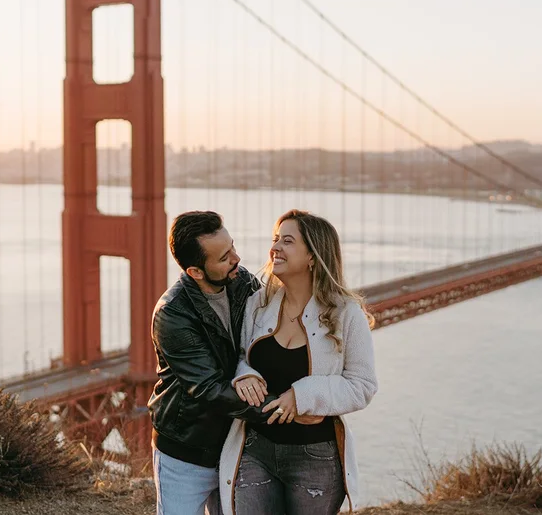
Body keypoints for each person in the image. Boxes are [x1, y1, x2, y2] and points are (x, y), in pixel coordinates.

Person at [216, 209, 379, 515]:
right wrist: (245, 375)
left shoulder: (346, 314)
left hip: (315, 458)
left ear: (313, 257)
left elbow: (363, 386)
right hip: (255, 447)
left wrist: (302, 396)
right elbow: (240, 357)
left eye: (287, 241)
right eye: (275, 239)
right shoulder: (258, 303)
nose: (275, 248)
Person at [148, 210, 280, 515]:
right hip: (186, 453)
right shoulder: (172, 314)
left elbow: (266, 338)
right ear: (195, 271)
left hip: (236, 446)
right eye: (224, 257)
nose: (237, 258)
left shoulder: (242, 281)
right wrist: (283, 408)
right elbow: (210, 388)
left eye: (232, 247)